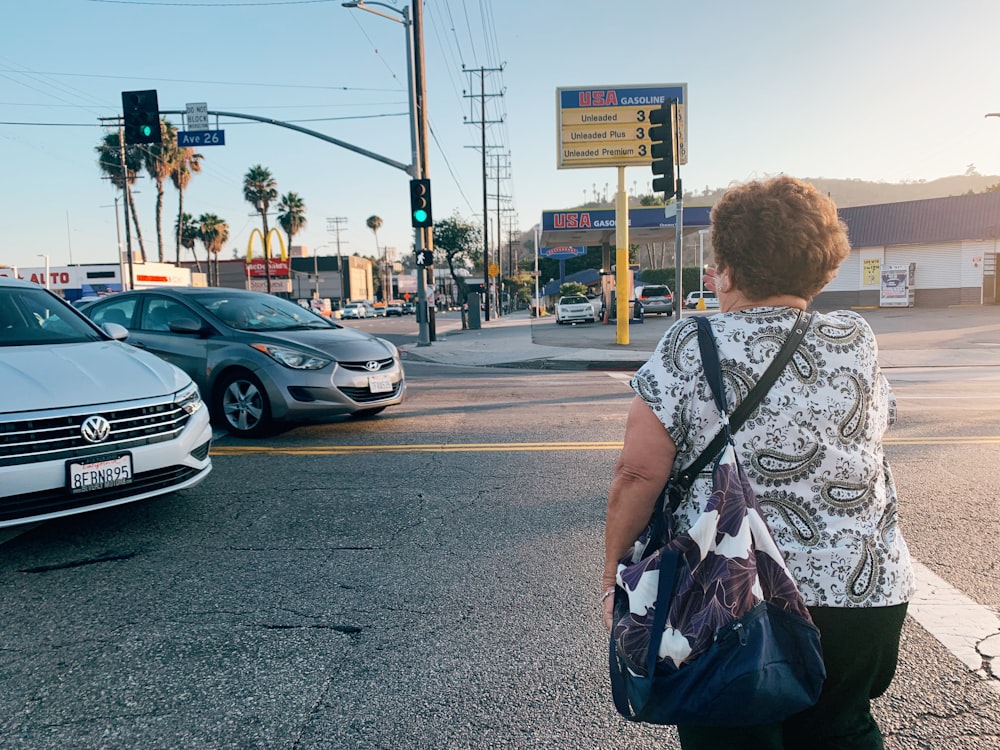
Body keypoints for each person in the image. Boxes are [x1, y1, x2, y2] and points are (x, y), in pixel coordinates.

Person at [603, 175, 914, 749]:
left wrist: (613, 585)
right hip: (862, 591)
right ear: (820, 266)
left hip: (729, 596)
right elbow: (878, 424)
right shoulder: (855, 337)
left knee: (731, 738)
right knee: (841, 729)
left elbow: (637, 473)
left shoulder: (691, 341)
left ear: (728, 269)